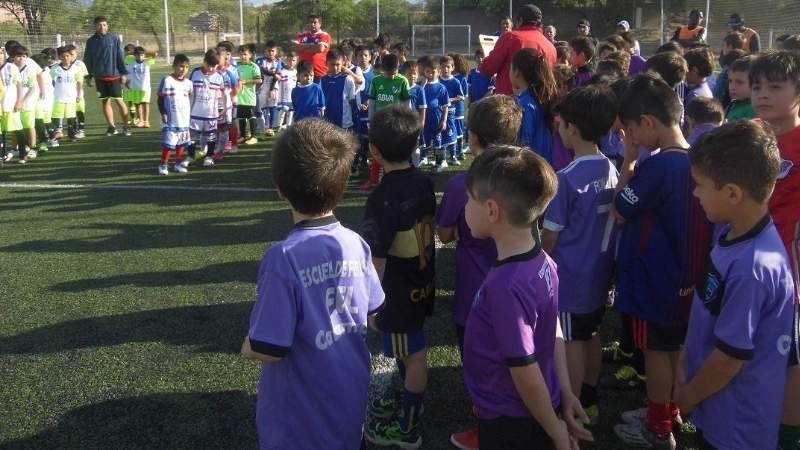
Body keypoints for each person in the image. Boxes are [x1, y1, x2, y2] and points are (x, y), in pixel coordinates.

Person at [241, 118, 384, 450]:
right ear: (342, 183)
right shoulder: (356, 243)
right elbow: (376, 312)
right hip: (349, 394)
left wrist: (246, 345)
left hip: (300, 418)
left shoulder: (283, 257)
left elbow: (267, 347)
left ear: (280, 187)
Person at [675, 120, 795, 450]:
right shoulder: (733, 233)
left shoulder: (752, 269)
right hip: (719, 413)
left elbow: (729, 359)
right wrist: (686, 358)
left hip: (736, 430)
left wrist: (688, 396)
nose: (695, 193)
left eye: (700, 186)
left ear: (732, 193)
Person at [462, 146, 592, 450]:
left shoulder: (505, 286)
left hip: (511, 420)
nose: (465, 206)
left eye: (469, 199)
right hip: (540, 405)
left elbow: (525, 371)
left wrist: (557, 432)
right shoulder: (544, 261)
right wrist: (566, 391)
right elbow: (553, 328)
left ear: (492, 211)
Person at [611, 74, 712, 449]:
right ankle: (671, 410)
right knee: (674, 347)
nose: (633, 138)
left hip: (653, 280)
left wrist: (628, 161)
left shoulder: (657, 167)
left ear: (648, 122)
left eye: (633, 131)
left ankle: (657, 425)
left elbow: (620, 210)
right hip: (688, 278)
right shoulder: (698, 159)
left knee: (655, 351)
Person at [441, 92, 522, 450]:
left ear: (473, 136)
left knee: (480, 364)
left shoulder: (462, 184)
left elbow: (445, 234)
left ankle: (486, 429)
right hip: (518, 285)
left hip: (476, 291)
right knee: (514, 355)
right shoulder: (526, 175)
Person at [542, 85, 620, 426]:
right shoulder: (611, 168)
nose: (558, 129)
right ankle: (589, 396)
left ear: (571, 129)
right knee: (591, 333)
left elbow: (551, 235)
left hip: (572, 277)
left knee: (572, 340)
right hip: (600, 273)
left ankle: (571, 407)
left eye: (560, 124)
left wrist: (539, 258)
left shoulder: (566, 179)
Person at [362, 104, 435, 450]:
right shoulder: (423, 181)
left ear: (374, 151)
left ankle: (409, 427)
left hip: (399, 292)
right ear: (416, 143)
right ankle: (407, 400)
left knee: (413, 355)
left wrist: (371, 303)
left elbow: (377, 257)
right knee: (408, 351)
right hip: (421, 282)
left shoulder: (382, 196)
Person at [749, 51, 800, 450]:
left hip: (791, 273)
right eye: (757, 87)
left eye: (775, 87)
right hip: (752, 264)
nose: (762, 95)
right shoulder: (753, 137)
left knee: (792, 356)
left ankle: (789, 434)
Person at [479, 4, 556, 95]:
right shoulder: (551, 47)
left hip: (509, 100)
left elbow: (487, 69)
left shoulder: (510, 38)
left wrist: (485, 60)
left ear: (520, 20)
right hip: (540, 101)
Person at [362, 53, 411, 187]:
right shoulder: (376, 81)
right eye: (389, 73)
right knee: (378, 151)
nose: (392, 76)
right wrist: (371, 121)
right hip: (380, 123)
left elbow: (407, 103)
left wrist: (407, 121)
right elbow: (372, 102)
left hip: (396, 123)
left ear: (398, 67)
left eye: (394, 72)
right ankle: (374, 179)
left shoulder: (402, 81)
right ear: (383, 69)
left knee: (394, 152)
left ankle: (392, 178)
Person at [83, 16, 131, 137]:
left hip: (114, 76)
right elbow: (88, 59)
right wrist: (88, 76)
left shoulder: (114, 39)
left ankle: (126, 126)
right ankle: (111, 127)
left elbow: (120, 56)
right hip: (99, 77)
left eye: (104, 25)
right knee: (105, 102)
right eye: (99, 25)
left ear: (107, 26)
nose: (102, 27)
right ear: (95, 26)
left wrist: (123, 73)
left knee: (119, 101)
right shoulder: (91, 41)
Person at [510, 48, 556, 164]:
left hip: (531, 167)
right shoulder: (540, 98)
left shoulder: (524, 104)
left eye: (510, 67)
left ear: (517, 72)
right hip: (544, 165)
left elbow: (524, 144)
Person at [183, 49, 225, 169]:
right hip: (195, 112)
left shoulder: (219, 77)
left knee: (211, 135)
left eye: (214, 66)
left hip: (211, 113)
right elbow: (188, 91)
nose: (211, 69)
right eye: (209, 65)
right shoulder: (195, 73)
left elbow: (221, 94)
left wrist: (221, 109)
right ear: (204, 61)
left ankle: (209, 156)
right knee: (191, 135)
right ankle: (191, 156)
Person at [156, 54, 193, 175]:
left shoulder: (188, 83)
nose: (184, 69)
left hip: (183, 119)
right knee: (169, 144)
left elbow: (189, 98)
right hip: (171, 119)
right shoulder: (167, 80)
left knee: (181, 143)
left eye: (186, 67)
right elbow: (160, 99)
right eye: (181, 66)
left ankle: (178, 164)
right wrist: (163, 112)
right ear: (174, 66)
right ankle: (163, 165)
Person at [418, 56, 451, 172]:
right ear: (424, 72)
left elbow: (446, 106)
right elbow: (416, 98)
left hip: (436, 118)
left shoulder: (441, 88)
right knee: (423, 139)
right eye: (428, 72)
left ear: (438, 72)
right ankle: (423, 158)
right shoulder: (420, 85)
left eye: (433, 72)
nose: (430, 74)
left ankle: (440, 162)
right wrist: (422, 87)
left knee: (438, 141)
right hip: (424, 118)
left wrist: (444, 120)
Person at [12, 46, 41, 161]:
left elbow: (32, 88)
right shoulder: (10, 69)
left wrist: (22, 101)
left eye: (23, 56)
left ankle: (33, 147)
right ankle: (15, 148)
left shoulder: (29, 70)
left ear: (27, 58)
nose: (21, 59)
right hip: (12, 104)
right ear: (13, 57)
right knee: (14, 127)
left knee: (29, 126)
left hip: (27, 103)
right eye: (18, 56)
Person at [51, 46, 83, 143]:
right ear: (60, 57)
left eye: (67, 56)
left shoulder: (76, 69)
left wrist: (79, 95)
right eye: (63, 56)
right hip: (58, 97)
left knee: (71, 116)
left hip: (71, 97)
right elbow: (49, 81)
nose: (65, 58)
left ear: (71, 56)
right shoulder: (55, 69)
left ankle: (71, 133)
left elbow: (79, 82)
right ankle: (57, 132)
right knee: (57, 115)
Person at [439, 55, 465, 166]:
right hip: (439, 113)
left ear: (452, 68)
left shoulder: (455, 82)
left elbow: (461, 97)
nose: (445, 69)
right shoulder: (437, 81)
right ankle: (441, 159)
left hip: (450, 113)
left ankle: (453, 157)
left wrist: (450, 100)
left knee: (451, 134)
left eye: (448, 67)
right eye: (443, 66)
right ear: (439, 67)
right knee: (439, 136)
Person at [321, 49, 356, 131]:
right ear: (326, 63)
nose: (335, 67)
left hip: (344, 122)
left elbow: (352, 101)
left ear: (343, 63)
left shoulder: (348, 79)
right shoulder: (323, 80)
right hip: (327, 122)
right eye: (332, 64)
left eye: (337, 64)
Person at [236, 43, 263, 145]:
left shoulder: (254, 66)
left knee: (251, 115)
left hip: (249, 96)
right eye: (241, 54)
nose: (243, 56)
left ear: (250, 55)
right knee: (241, 116)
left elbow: (259, 80)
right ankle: (243, 136)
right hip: (240, 96)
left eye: (245, 54)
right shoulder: (237, 66)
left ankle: (254, 136)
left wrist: (246, 81)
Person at [353, 45, 374, 174]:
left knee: (369, 137)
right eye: (360, 55)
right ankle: (358, 161)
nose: (363, 58)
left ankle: (367, 160)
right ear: (356, 57)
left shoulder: (375, 73)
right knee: (358, 136)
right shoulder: (354, 71)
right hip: (357, 110)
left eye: (365, 55)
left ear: (370, 57)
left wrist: (369, 101)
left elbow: (377, 90)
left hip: (370, 109)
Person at [293, 13, 332, 82]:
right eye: (310, 22)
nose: (312, 24)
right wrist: (312, 45)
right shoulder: (302, 35)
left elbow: (320, 49)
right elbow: (295, 48)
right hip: (302, 73)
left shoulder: (324, 35)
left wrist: (303, 47)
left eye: (315, 22)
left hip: (319, 74)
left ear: (320, 24)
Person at [125, 47, 152, 129]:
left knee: (146, 104)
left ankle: (146, 121)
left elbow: (155, 53)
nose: (140, 57)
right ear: (135, 55)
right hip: (135, 87)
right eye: (138, 55)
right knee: (137, 105)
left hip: (145, 88)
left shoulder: (148, 61)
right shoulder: (131, 61)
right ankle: (140, 120)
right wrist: (133, 53)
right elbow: (126, 55)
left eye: (142, 55)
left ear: (144, 55)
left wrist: (144, 52)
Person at [724, 55, 756, 121]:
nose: (732, 87)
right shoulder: (733, 103)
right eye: (730, 81)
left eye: (739, 82)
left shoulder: (754, 110)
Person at [277, 52, 298, 129]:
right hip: (283, 96)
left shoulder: (296, 72)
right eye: (289, 60)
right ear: (286, 60)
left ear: (296, 61)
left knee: (291, 111)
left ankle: (288, 126)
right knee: (282, 111)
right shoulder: (282, 71)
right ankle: (278, 126)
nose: (291, 62)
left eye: (293, 60)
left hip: (292, 96)